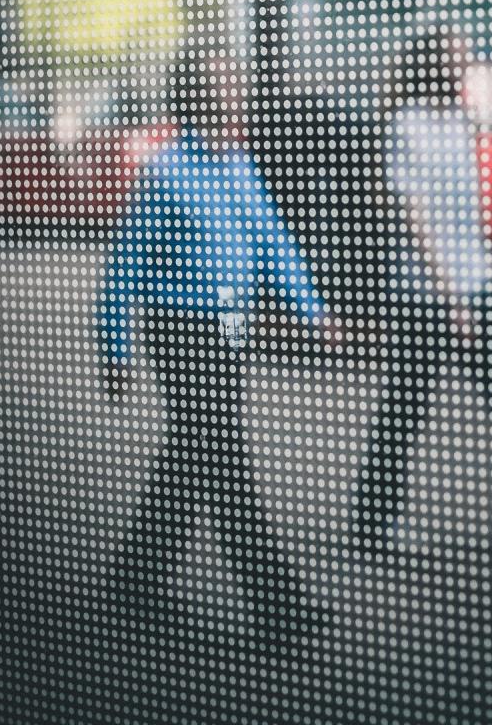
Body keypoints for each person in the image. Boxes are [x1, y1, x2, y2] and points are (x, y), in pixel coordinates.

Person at [351, 26, 492, 558]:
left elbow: (465, 216)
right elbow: (417, 218)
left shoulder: (458, 122)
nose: (469, 67)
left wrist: (481, 278)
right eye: (461, 59)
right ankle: (371, 520)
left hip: (475, 284)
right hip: (427, 295)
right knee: (404, 410)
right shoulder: (405, 126)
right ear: (436, 66)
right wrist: (451, 296)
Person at [95, 104, 327, 620]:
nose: (234, 102)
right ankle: (278, 603)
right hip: (179, 325)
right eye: (222, 91)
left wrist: (314, 312)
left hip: (232, 322)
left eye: (237, 91)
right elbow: (124, 265)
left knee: (194, 449)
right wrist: (115, 348)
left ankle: (134, 577)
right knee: (222, 452)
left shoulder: (240, 166)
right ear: (198, 102)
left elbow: (272, 243)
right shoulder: (166, 169)